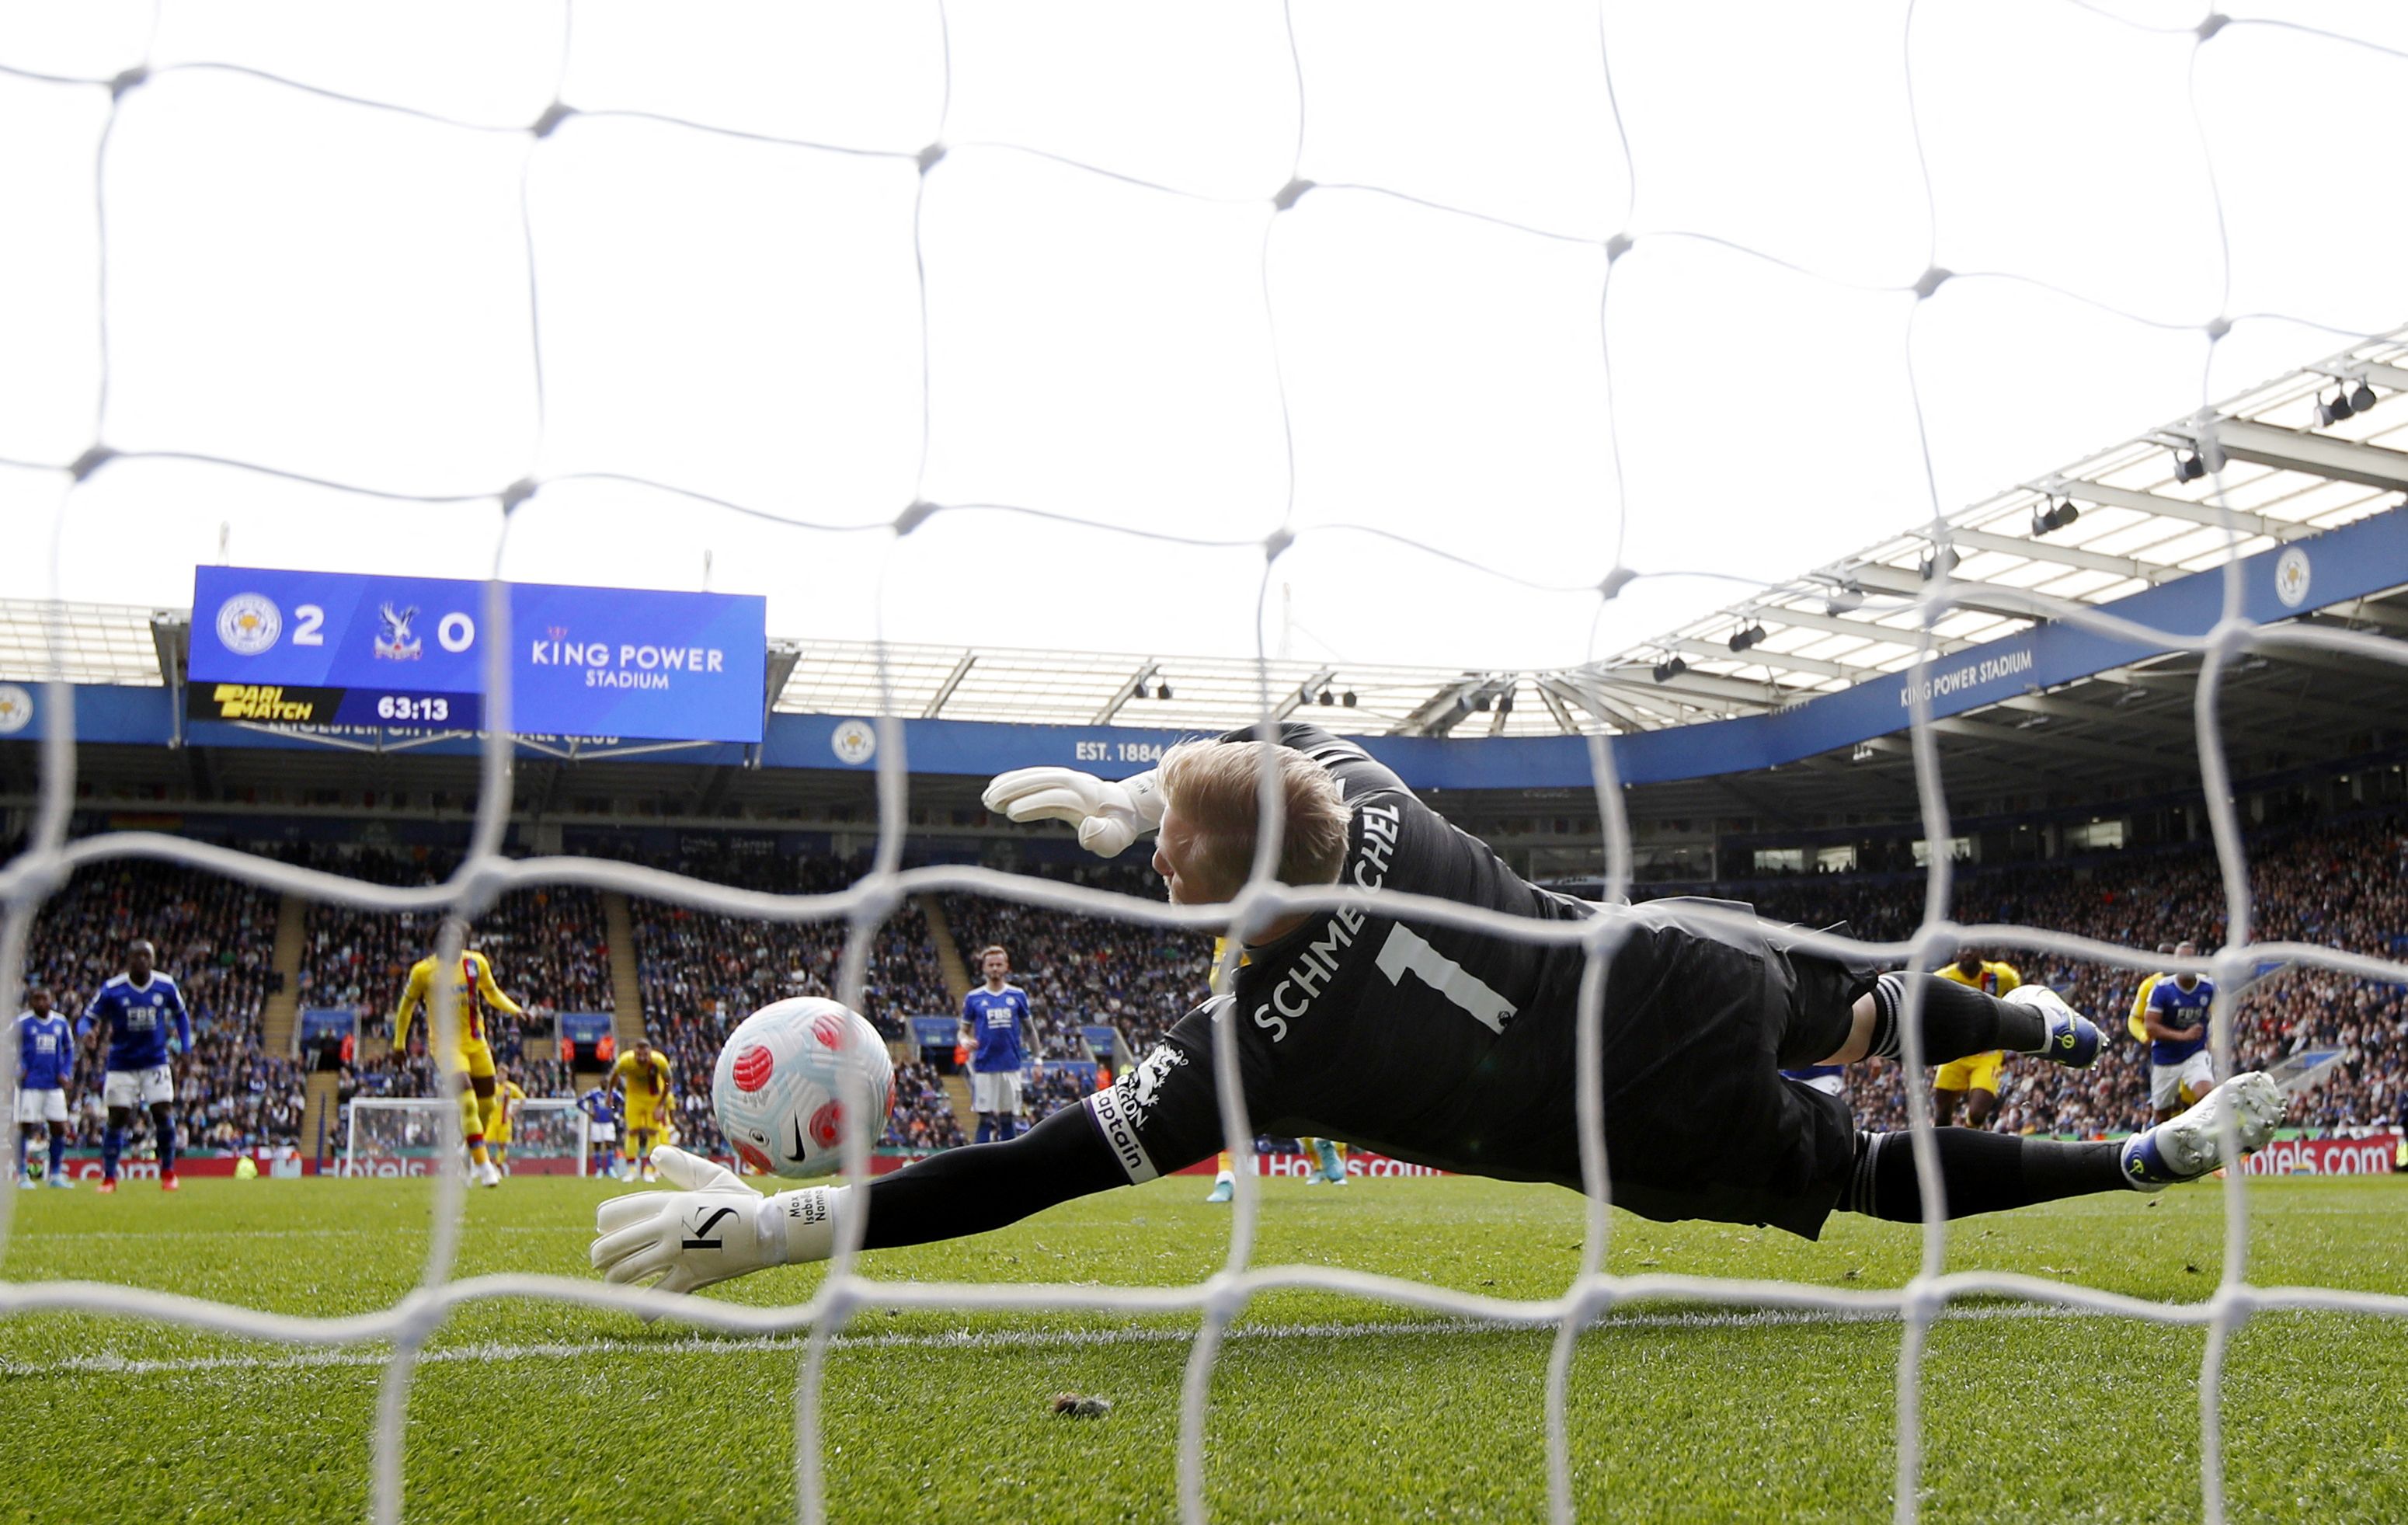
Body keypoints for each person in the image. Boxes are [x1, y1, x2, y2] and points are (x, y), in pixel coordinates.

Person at [590, 724, 2284, 1297]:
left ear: (1233, 892)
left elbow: (1021, 1170)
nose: (1149, 868)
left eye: (1165, 852)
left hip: (1640, 1121)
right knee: (1845, 1017)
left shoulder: (1247, 1056)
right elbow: (1285, 768)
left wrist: (780, 1226)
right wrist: (1142, 785)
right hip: (1671, 971)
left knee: (1854, 1173)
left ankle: (2138, 1161)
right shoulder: (1376, 801)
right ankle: (2060, 1035)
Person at [393, 931, 524, 1189]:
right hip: (445, 1046)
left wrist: (516, 1010)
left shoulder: (476, 964)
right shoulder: (423, 971)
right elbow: (406, 1006)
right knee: (467, 1102)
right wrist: (399, 1044)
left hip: (477, 1044)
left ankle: (467, 1153)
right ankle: (484, 1165)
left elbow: (493, 993)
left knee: (487, 1107)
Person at [78, 939, 191, 1193]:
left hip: (155, 1062)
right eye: (137, 956)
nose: (142, 961)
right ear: (128, 960)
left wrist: (186, 1049)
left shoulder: (165, 985)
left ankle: (169, 1172)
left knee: (162, 1112)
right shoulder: (112, 989)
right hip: (122, 1064)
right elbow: (86, 1019)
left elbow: (182, 1017)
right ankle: (109, 1178)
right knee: (117, 1117)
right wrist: (87, 1033)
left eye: (146, 956)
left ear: (153, 960)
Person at [1930, 952, 2020, 1129]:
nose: (1968, 953)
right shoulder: (1943, 978)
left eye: (1972, 948)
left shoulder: (2000, 974)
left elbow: (2019, 990)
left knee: (1977, 1114)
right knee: (1941, 1114)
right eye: (1963, 949)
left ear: (1981, 951)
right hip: (1955, 1053)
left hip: (1988, 1054)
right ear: (1956, 953)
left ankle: (1970, 1141)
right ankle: (1943, 1150)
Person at [959, 945, 1032, 1144]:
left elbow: (1031, 1030)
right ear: (983, 968)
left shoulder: (1018, 995)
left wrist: (1039, 1059)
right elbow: (962, 1030)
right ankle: (979, 1164)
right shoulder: (974, 998)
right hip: (984, 1065)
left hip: (1011, 1065)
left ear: (1006, 967)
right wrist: (965, 1040)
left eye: (999, 964)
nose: (995, 969)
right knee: (985, 1118)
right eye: (991, 965)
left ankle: (1008, 1165)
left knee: (1008, 1118)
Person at [2143, 940, 2218, 1124]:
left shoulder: (2208, 987)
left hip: (2195, 1053)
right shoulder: (2162, 989)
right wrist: (2182, 1036)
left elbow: (2223, 1013)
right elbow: (2150, 1027)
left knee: (2206, 1096)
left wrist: (2214, 1038)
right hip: (2166, 1057)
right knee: (2162, 1115)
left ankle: (2200, 1136)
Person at [15, 986, 75, 1189]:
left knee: (59, 1127)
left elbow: (69, 1049)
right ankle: (22, 1174)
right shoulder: (23, 1023)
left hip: (54, 1085)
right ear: (31, 1002)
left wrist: (65, 1072)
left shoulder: (60, 1022)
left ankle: (56, 1174)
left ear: (52, 1000)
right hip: (30, 1084)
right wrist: (18, 1067)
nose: (41, 1003)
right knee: (26, 1127)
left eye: (44, 998)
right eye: (36, 999)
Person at [609, 1036, 674, 1183]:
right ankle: (631, 1170)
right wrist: (609, 1095)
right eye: (639, 1055)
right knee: (632, 1131)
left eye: (645, 1055)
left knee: (653, 1131)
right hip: (633, 1098)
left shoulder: (659, 1061)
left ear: (650, 1053)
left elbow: (668, 1080)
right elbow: (614, 1075)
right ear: (635, 1053)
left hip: (653, 1098)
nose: (642, 1058)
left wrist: (661, 1105)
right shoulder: (626, 1060)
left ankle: (649, 1170)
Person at [2127, 943, 2180, 1043]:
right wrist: (2144, 1036)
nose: (2166, 959)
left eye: (2169, 955)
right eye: (2162, 955)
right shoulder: (2149, 985)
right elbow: (2134, 1019)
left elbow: (2215, 1013)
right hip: (2164, 1048)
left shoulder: (2197, 981)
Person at [488, 1066, 527, 1176]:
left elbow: (523, 1100)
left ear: (507, 1075)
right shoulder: (492, 1087)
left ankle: (498, 1165)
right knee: (485, 1144)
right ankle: (489, 1165)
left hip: (505, 1122)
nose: (501, 1076)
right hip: (492, 1121)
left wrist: (513, 1113)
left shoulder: (511, 1088)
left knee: (502, 1145)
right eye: (500, 1073)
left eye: (504, 1074)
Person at [579, 1081, 621, 1179]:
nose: (605, 1084)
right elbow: (579, 1101)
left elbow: (623, 1103)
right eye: (603, 1082)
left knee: (609, 1145)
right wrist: (589, 1112)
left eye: (606, 1082)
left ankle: (610, 1169)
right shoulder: (594, 1093)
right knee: (597, 1146)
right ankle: (599, 1170)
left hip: (608, 1123)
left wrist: (616, 1113)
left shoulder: (613, 1093)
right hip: (596, 1123)